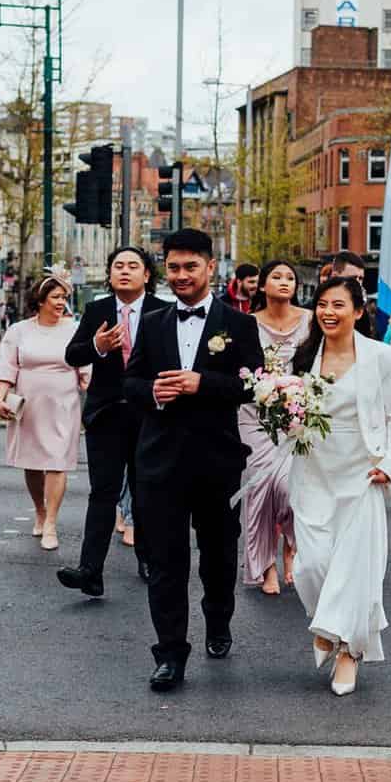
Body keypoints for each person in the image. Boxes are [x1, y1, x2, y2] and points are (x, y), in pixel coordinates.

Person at [123, 228, 265, 692]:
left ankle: (218, 620)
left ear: (210, 267)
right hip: (159, 460)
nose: (181, 275)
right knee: (166, 561)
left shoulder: (239, 325)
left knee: (219, 553)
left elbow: (253, 384)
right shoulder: (155, 321)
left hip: (217, 459)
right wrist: (154, 392)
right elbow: (131, 383)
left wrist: (201, 383)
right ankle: (169, 654)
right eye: (174, 267)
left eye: (190, 267)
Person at [288, 276, 391, 696]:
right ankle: (330, 625)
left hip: (361, 473)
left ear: (358, 311)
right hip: (312, 471)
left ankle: (348, 653)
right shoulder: (303, 357)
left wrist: (390, 463)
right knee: (311, 565)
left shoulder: (380, 356)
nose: (328, 312)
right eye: (322, 304)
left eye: (338, 305)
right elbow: (288, 410)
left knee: (355, 571)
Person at [54, 247, 168, 597]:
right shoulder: (98, 310)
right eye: (118, 266)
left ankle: (149, 559)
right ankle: (90, 571)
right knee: (102, 492)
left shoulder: (163, 311)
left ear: (147, 275)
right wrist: (98, 345)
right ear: (109, 274)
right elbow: (72, 354)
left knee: (146, 489)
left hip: (149, 414)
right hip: (106, 414)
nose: (125, 271)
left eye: (133, 266)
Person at [0, 274, 86, 553]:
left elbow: (86, 364)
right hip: (29, 404)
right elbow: (6, 368)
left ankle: (52, 524)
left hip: (63, 404)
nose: (61, 303)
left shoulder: (74, 329)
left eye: (64, 298)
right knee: (32, 464)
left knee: (58, 462)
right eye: (56, 297)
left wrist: (88, 379)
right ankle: (39, 510)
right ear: (40, 301)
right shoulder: (19, 331)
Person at [240, 259, 312, 594]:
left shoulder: (311, 321)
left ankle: (291, 548)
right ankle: (265, 566)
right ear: (263, 285)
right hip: (254, 414)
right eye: (276, 277)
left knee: (289, 488)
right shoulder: (245, 324)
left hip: (296, 413)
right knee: (259, 489)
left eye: (289, 278)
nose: (284, 282)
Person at [321, 251, 373, 337]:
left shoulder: (360, 310)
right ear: (335, 276)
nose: (358, 283)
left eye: (360, 278)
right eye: (353, 278)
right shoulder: (314, 306)